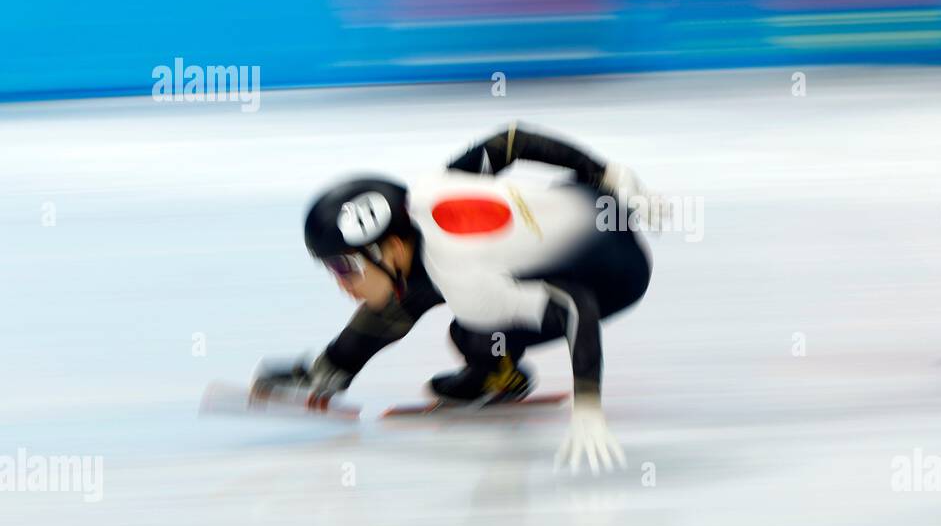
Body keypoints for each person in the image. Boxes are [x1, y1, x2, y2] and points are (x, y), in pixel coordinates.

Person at [255, 124, 653, 473]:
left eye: (346, 268)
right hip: (590, 202)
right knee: (411, 286)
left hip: (612, 274)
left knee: (471, 333)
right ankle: (335, 369)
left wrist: (587, 406)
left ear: (391, 248)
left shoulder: (467, 282)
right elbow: (511, 140)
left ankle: (497, 374)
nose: (342, 283)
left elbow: (575, 304)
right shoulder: (430, 189)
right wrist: (602, 172)